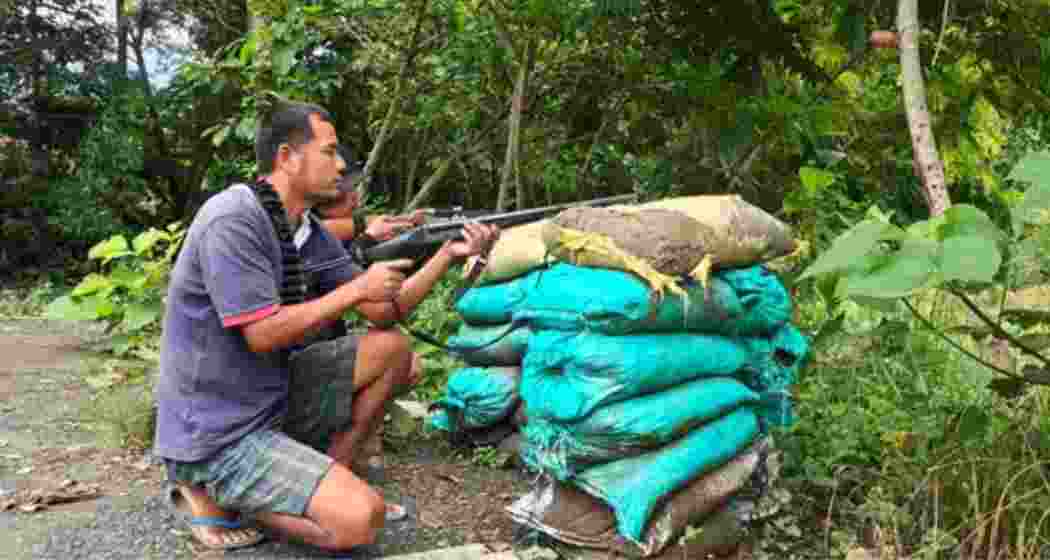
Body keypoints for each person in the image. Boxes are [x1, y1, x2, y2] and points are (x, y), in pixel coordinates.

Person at [153, 101, 499, 551]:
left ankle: (332, 474)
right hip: (218, 431)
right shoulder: (233, 219)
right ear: (287, 157)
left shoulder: (306, 230)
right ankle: (214, 491)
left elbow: (385, 311)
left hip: (269, 399)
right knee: (360, 522)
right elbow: (261, 334)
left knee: (392, 349)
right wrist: (355, 290)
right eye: (329, 151)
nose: (340, 166)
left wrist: (447, 255)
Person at [317, 144, 426, 247]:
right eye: (342, 195)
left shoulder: (349, 230)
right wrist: (367, 235)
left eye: (353, 187)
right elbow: (316, 233)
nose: (354, 199)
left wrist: (404, 221)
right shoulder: (315, 239)